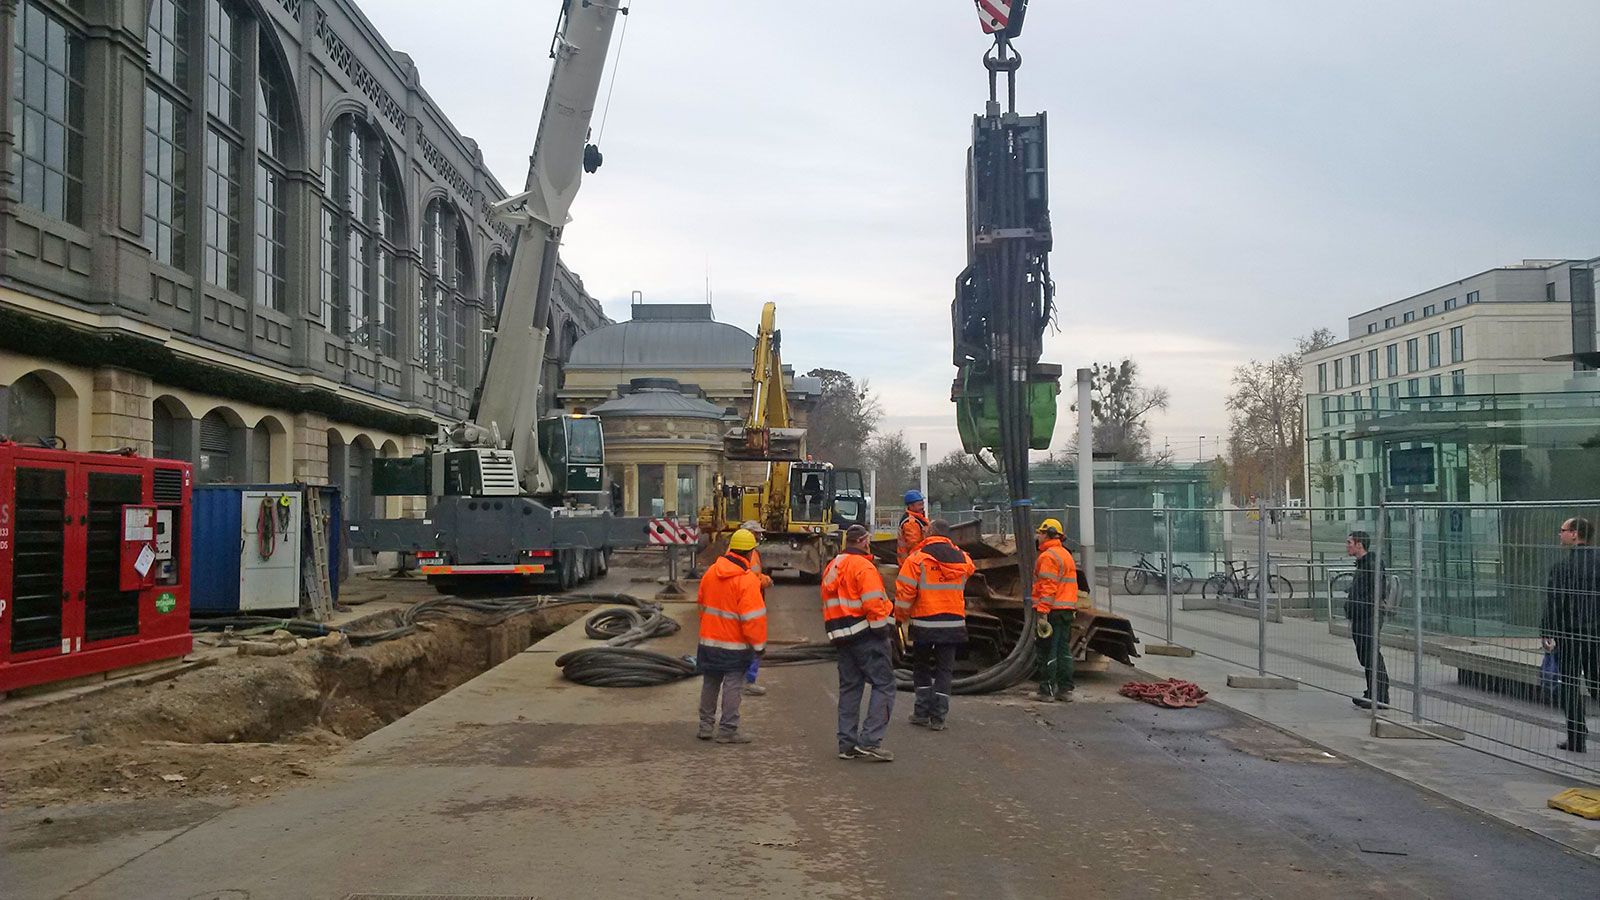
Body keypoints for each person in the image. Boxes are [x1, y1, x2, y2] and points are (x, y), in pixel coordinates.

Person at [822, 524, 896, 761]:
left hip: (842, 637)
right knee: (884, 684)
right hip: (866, 635)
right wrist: (882, 631)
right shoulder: (863, 566)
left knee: (850, 688)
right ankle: (870, 741)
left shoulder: (833, 566)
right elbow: (873, 603)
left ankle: (847, 744)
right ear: (864, 541)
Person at [894, 519, 975, 730]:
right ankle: (939, 717)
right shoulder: (962, 559)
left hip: (924, 622)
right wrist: (952, 547)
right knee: (944, 670)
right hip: (953, 622)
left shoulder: (916, 560)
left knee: (921, 667)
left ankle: (921, 712)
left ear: (928, 532)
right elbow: (970, 567)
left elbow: (904, 594)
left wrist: (900, 618)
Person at [695, 528, 767, 744]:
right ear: (748, 553)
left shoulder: (711, 573)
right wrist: (759, 646)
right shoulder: (746, 581)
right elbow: (753, 619)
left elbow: (701, 605)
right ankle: (728, 730)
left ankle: (705, 727)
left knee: (710, 682)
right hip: (735, 646)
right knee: (733, 684)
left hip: (708, 641)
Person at [1543, 517, 1599, 753]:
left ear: (1575, 534)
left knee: (1569, 684)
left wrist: (1547, 632)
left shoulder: (1563, 568)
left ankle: (1576, 737)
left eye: (1562, 530)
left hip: (1571, 635)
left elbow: (1555, 602)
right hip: (1597, 635)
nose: (1560, 534)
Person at [1031, 519, 1079, 702]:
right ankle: (1065, 690)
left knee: (1047, 650)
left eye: (1040, 533)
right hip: (1066, 610)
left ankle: (1047, 691)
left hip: (1052, 610)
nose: (1038, 536)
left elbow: (1048, 587)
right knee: (1063, 650)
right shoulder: (1065, 555)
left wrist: (1042, 612)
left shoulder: (1048, 557)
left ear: (1048, 534)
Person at [1344, 530, 1389, 710]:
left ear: (1359, 544)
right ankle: (1372, 692)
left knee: (1371, 655)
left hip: (1368, 617)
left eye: (1349, 542)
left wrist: (1362, 607)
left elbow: (1376, 592)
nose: (1347, 546)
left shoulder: (1371, 564)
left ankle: (1380, 696)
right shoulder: (1362, 564)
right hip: (1360, 616)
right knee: (1365, 656)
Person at [739, 519, 774, 697]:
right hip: (750, 602)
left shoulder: (739, 551)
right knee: (754, 642)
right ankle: (748, 681)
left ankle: (740, 679)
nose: (760, 536)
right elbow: (751, 577)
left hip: (745, 601)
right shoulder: (749, 554)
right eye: (757, 533)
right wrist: (765, 580)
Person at [897, 490, 930, 565]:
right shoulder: (911, 523)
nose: (922, 507)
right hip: (913, 563)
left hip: (914, 561)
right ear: (911, 506)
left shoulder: (919, 518)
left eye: (922, 504)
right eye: (919, 504)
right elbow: (914, 548)